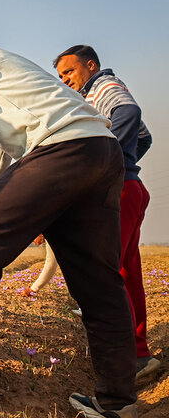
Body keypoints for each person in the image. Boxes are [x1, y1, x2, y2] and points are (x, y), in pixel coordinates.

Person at [0, 17, 137, 418]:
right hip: (101, 153)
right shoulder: (14, 65)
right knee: (100, 282)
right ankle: (118, 402)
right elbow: (7, 156)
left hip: (61, 151)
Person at [54, 44, 159, 381]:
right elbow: (146, 137)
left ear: (91, 65)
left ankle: (127, 361)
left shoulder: (103, 87)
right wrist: (126, 163)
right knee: (126, 272)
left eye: (69, 72)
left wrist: (113, 166)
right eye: (60, 76)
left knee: (106, 275)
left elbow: (130, 114)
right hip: (130, 188)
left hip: (121, 191)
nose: (65, 80)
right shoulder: (92, 95)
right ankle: (138, 351)